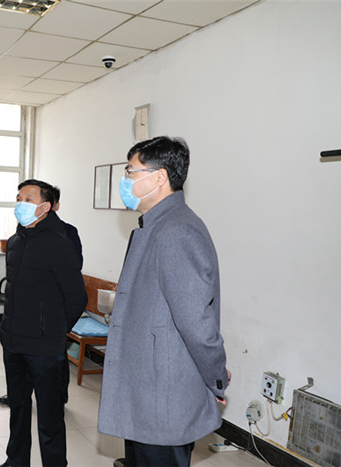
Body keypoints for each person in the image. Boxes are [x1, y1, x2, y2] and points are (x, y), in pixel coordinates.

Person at [98, 136, 230, 467]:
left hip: (162, 397)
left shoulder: (177, 232)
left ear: (159, 177)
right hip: (146, 390)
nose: (125, 180)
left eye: (131, 172)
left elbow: (196, 323)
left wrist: (215, 377)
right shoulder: (156, 226)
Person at [0, 179, 88, 467]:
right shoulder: (15, 241)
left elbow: (77, 297)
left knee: (49, 417)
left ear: (45, 207)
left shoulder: (58, 243)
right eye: (19, 198)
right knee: (18, 408)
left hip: (45, 348)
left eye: (28, 199)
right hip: (13, 342)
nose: (20, 204)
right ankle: (16, 461)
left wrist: (55, 330)